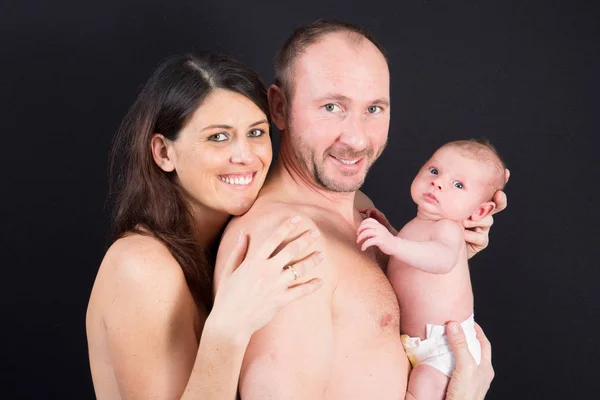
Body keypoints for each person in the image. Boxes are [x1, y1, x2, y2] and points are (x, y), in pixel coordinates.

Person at [214, 21, 507, 399]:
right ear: (280, 107)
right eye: (332, 107)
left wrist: (453, 253)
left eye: (373, 109)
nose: (355, 138)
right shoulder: (286, 243)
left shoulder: (360, 208)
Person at [86, 52, 326, 400]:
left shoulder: (226, 245)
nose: (246, 156)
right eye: (218, 137)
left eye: (256, 132)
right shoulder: (139, 265)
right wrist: (228, 330)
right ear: (164, 153)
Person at [357, 139, 507, 399]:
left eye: (458, 185)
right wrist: (388, 230)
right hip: (421, 342)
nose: (438, 182)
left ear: (480, 210)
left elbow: (441, 259)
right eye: (435, 171)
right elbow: (410, 257)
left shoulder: (448, 229)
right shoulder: (420, 224)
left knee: (423, 388)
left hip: (444, 346)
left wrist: (392, 243)